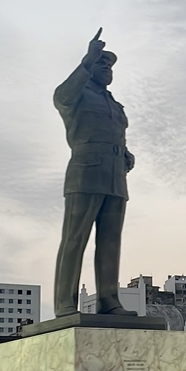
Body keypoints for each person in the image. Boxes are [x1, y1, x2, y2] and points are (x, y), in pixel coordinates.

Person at [52, 28, 137, 317]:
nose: (107, 69)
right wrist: (86, 62)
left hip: (115, 175)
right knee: (75, 238)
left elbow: (115, 133)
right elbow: (60, 97)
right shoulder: (76, 95)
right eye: (101, 63)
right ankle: (65, 302)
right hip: (85, 172)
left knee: (111, 241)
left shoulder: (114, 103)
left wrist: (125, 154)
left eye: (109, 65)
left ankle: (109, 300)